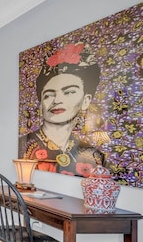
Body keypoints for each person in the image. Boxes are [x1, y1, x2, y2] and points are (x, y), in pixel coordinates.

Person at [20, 42, 106, 177]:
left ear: (85, 101)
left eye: (69, 92)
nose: (57, 100)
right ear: (41, 102)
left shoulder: (92, 155)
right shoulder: (23, 147)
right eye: (49, 94)